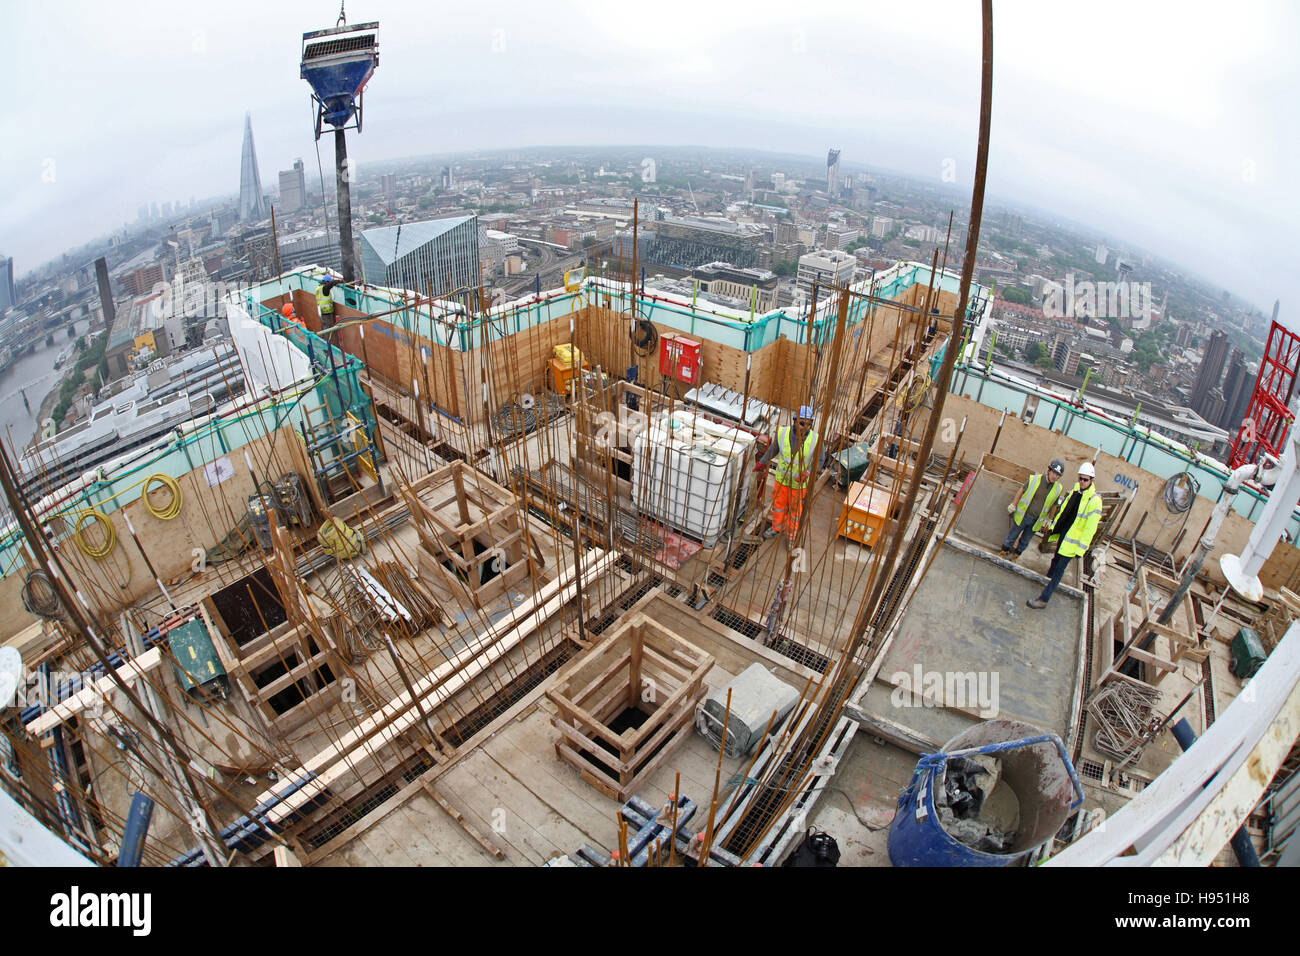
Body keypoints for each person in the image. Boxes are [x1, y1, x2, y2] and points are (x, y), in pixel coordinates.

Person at [1026, 461, 1102, 609]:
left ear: (1091, 480)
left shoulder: (1094, 501)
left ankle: (1044, 599)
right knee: (1054, 561)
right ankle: (1046, 580)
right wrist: (1054, 527)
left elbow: (1090, 529)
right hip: (1064, 535)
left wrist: (1081, 549)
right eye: (1080, 478)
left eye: (1085, 479)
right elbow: (1064, 510)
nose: (1081, 481)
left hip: (1073, 543)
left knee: (1059, 570)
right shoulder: (1076, 490)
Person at [757, 406, 822, 544]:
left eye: (809, 424)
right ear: (794, 420)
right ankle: (776, 528)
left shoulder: (815, 440)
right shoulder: (783, 433)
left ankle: (791, 536)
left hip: (798, 484)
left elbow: (820, 460)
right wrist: (762, 462)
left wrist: (808, 472)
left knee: (795, 511)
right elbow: (773, 449)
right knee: (778, 505)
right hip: (782, 480)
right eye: (802, 423)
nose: (806, 427)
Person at [1000, 458, 1064, 558]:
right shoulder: (1035, 479)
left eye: (1057, 475)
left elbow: (1054, 505)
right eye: (1053, 473)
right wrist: (1014, 504)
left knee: (1025, 540)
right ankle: (1004, 551)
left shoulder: (1057, 489)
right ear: (1049, 471)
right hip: (1023, 515)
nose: (1055, 476)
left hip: (1037, 520)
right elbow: (1022, 490)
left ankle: (1016, 555)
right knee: (1013, 535)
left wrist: (1050, 519)